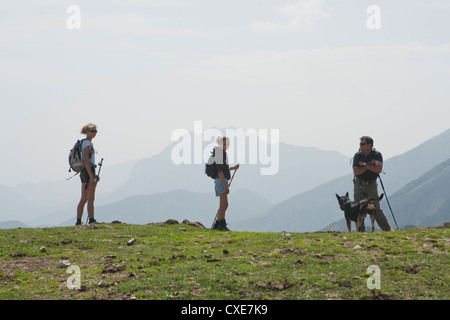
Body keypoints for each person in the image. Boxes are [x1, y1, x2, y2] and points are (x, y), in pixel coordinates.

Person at [352, 136, 392, 231]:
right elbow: (356, 172)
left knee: (375, 208)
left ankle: (387, 230)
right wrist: (370, 165)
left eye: (362, 144)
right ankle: (361, 231)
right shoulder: (358, 155)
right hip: (359, 184)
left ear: (369, 145)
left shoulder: (377, 154)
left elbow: (378, 169)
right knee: (358, 208)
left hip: (371, 185)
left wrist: (364, 164)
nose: (360, 146)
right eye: (360, 144)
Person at [211, 136, 239, 231]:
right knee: (224, 204)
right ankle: (221, 224)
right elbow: (220, 171)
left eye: (227, 144)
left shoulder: (221, 153)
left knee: (224, 204)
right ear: (220, 144)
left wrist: (233, 168)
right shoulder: (219, 154)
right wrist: (225, 185)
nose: (226, 146)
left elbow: (223, 169)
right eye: (224, 144)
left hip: (220, 180)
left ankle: (218, 224)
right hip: (221, 180)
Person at [76, 123, 100, 225]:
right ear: (86, 132)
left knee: (84, 198)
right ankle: (91, 219)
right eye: (92, 131)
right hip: (88, 170)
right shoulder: (87, 144)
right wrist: (92, 177)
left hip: (85, 171)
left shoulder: (85, 143)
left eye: (95, 131)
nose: (94, 133)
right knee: (90, 198)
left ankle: (78, 221)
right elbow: (86, 161)